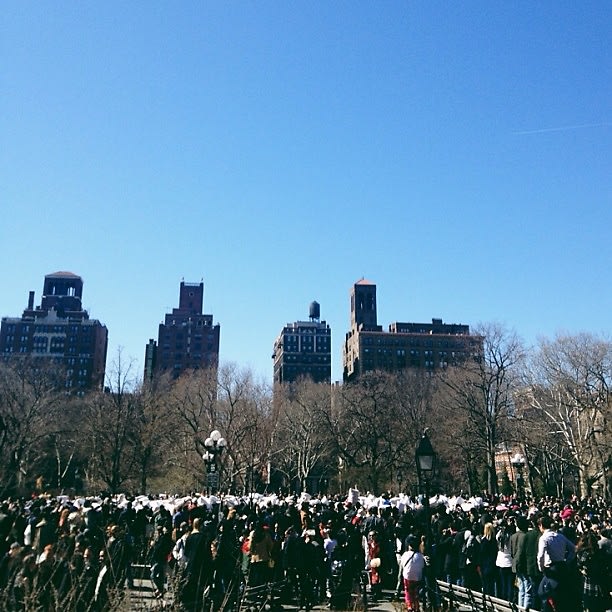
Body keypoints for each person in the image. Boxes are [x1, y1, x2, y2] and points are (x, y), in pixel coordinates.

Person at [537, 514, 576, 612]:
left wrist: (541, 568)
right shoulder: (560, 536)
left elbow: (540, 555)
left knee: (543, 592)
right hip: (562, 566)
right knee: (560, 594)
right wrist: (568, 560)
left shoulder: (544, 538)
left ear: (541, 525)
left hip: (551, 567)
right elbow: (574, 549)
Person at [576, 530, 610, 612]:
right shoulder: (600, 552)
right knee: (601, 607)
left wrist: (582, 570)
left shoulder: (584, 554)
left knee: (590, 607)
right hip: (601, 583)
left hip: (589, 583)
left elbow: (579, 565)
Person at [400, 535, 426, 612]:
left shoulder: (405, 554)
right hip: (417, 576)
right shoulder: (420, 556)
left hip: (407, 575)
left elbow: (402, 565)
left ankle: (409, 606)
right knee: (416, 592)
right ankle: (416, 606)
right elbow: (422, 566)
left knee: (407, 591)